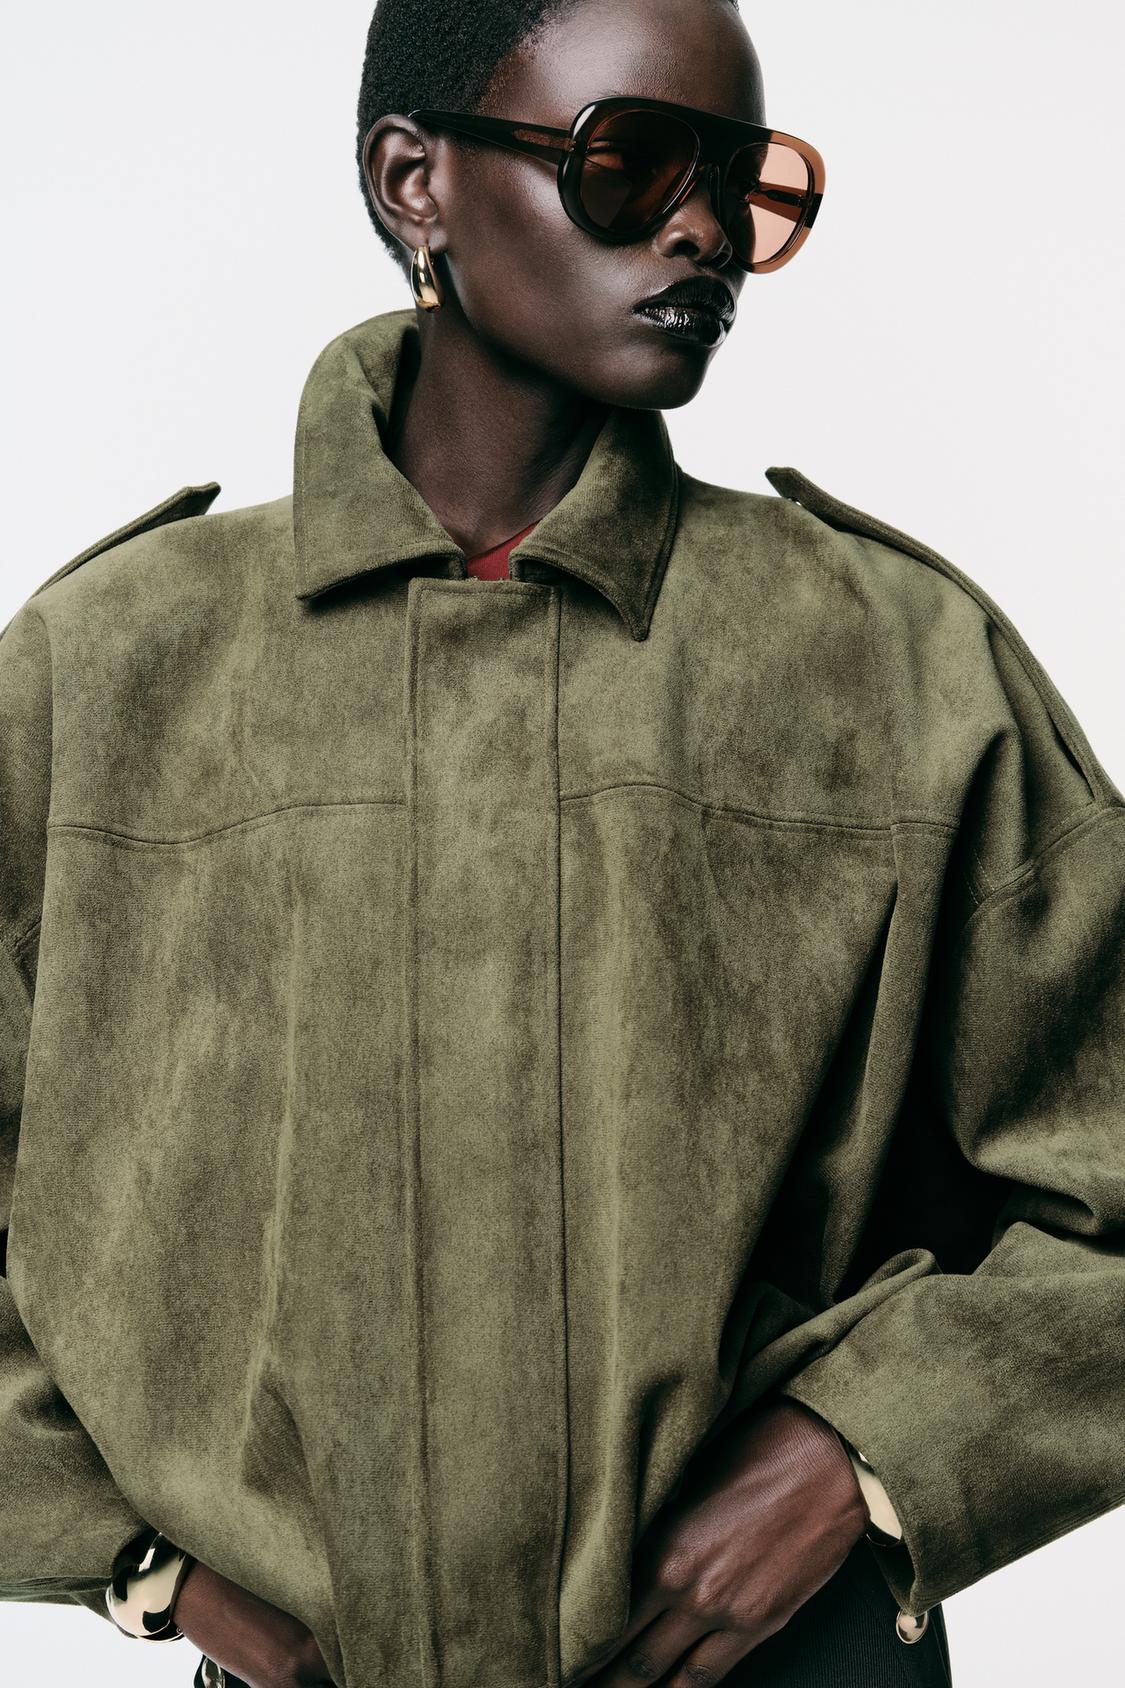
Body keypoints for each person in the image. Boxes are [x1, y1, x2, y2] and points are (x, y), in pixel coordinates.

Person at [1, 1, 1122, 1685]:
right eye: (632, 163)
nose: (701, 230)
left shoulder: (885, 655)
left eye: (742, 184)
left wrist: (863, 1454)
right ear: (416, 181)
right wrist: (149, 1570)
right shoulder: (113, 667)